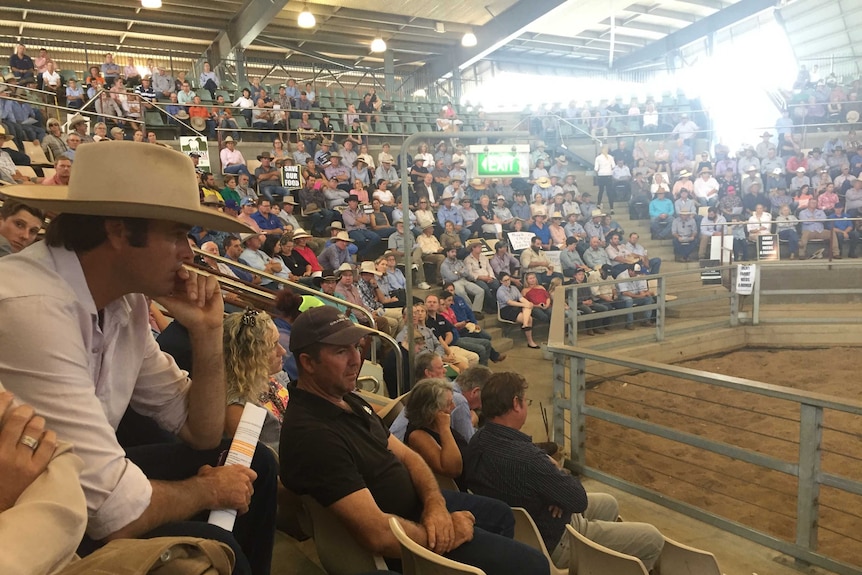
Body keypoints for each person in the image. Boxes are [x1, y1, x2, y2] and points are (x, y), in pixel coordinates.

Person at [0, 142, 277, 575]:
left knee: (254, 462)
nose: (189, 253)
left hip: (76, 479)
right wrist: (206, 491)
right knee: (214, 543)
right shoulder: (31, 306)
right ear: (118, 231)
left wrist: (207, 333)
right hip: (27, 505)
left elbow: (200, 433)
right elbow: (115, 514)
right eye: (176, 234)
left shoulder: (125, 303)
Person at [279, 306, 550, 574]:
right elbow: (378, 535)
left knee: (500, 514)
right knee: (534, 566)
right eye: (341, 351)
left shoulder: (345, 397)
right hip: (404, 542)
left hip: (418, 508)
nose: (356, 359)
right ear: (308, 362)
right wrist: (443, 534)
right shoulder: (313, 435)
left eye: (355, 346)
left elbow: (408, 457)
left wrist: (435, 504)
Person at [465, 372, 664, 570]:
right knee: (651, 539)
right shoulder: (528, 459)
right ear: (516, 403)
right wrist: (556, 476)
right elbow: (578, 499)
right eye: (526, 401)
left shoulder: (476, 442)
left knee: (608, 503)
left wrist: (555, 492)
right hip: (554, 539)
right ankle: (592, 559)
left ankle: (598, 564)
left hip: (520, 529)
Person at [223, 310, 289, 452]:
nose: (282, 351)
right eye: (273, 345)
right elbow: (259, 463)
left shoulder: (273, 376)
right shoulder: (238, 408)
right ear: (249, 356)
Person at [404, 378, 468, 489]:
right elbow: (453, 469)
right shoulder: (418, 435)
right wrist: (445, 429)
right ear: (432, 410)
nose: (453, 406)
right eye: (448, 404)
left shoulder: (434, 426)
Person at [497, 272, 540, 348]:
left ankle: (525, 324)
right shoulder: (500, 291)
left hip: (515, 307)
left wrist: (528, 303)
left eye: (508, 279)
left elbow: (521, 298)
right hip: (506, 310)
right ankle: (530, 340)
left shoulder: (513, 288)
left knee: (527, 307)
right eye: (505, 280)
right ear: (501, 281)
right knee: (529, 318)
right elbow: (509, 302)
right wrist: (525, 304)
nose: (507, 282)